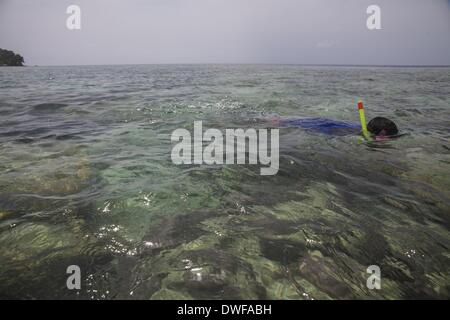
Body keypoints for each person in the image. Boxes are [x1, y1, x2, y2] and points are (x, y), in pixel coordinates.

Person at [269, 116, 400, 139]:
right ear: (381, 134)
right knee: (295, 124)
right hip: (326, 128)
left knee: (296, 121)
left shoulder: (362, 128)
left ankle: (280, 120)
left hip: (327, 122)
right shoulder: (359, 134)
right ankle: (279, 121)